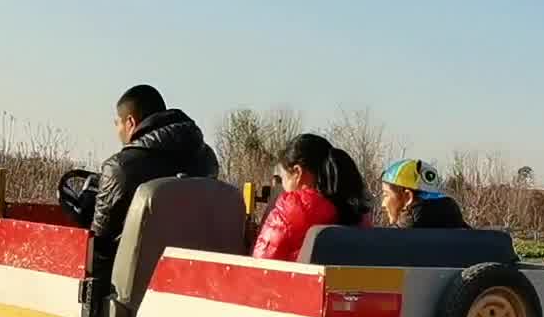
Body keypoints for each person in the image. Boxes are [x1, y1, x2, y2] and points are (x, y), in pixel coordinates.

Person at [86, 84, 220, 276]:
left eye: (118, 123)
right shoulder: (207, 160)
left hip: (134, 286)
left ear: (130, 122)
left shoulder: (119, 168)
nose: (117, 130)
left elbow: (98, 249)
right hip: (195, 275)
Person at [251, 134, 371, 261]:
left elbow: (260, 267)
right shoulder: (358, 214)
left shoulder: (286, 213)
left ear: (297, 172)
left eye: (283, 178)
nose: (283, 185)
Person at [379, 158, 469, 228]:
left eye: (386, 194)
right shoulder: (463, 230)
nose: (383, 204)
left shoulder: (395, 241)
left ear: (408, 196)